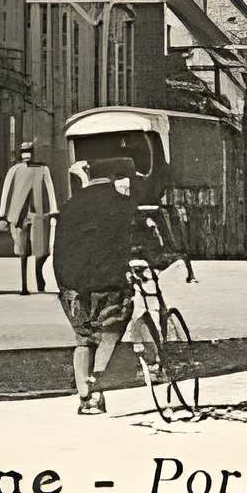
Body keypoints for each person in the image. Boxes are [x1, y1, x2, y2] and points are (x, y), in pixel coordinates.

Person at [55, 156, 165, 415]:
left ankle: (85, 397)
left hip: (71, 284)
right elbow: (135, 244)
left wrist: (64, 283)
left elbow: (59, 247)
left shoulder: (70, 205)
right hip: (107, 281)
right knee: (111, 331)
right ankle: (96, 385)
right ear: (116, 178)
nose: (130, 185)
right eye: (127, 179)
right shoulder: (122, 205)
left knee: (83, 340)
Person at [0, 142, 59, 296]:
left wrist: (53, 210)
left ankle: (38, 274)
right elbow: (6, 191)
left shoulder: (43, 169)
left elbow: (50, 189)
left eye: (29, 152)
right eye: (24, 152)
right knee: (22, 252)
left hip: (38, 214)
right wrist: (2, 215)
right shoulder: (14, 170)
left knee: (42, 250)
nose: (26, 155)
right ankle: (24, 285)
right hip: (19, 215)